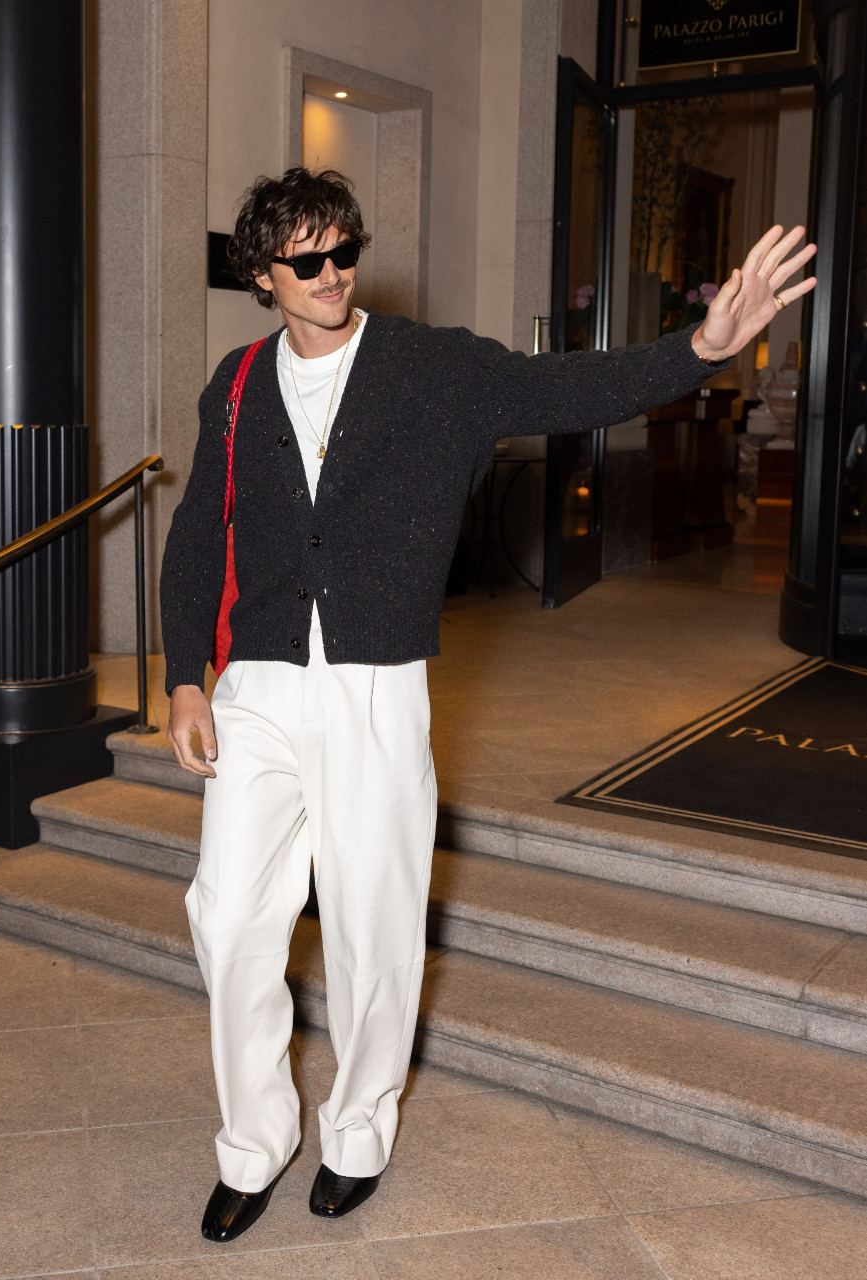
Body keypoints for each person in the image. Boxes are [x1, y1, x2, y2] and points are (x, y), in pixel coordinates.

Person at [160, 166, 816, 1243]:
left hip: (374, 682)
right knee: (226, 916)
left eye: (347, 250)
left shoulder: (429, 367)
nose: (336, 275)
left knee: (372, 923)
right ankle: (254, 1139)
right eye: (309, 261)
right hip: (259, 682)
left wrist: (701, 347)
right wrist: (188, 671)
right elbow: (200, 535)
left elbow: (565, 387)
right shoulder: (233, 384)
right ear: (263, 276)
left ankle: (358, 1131)